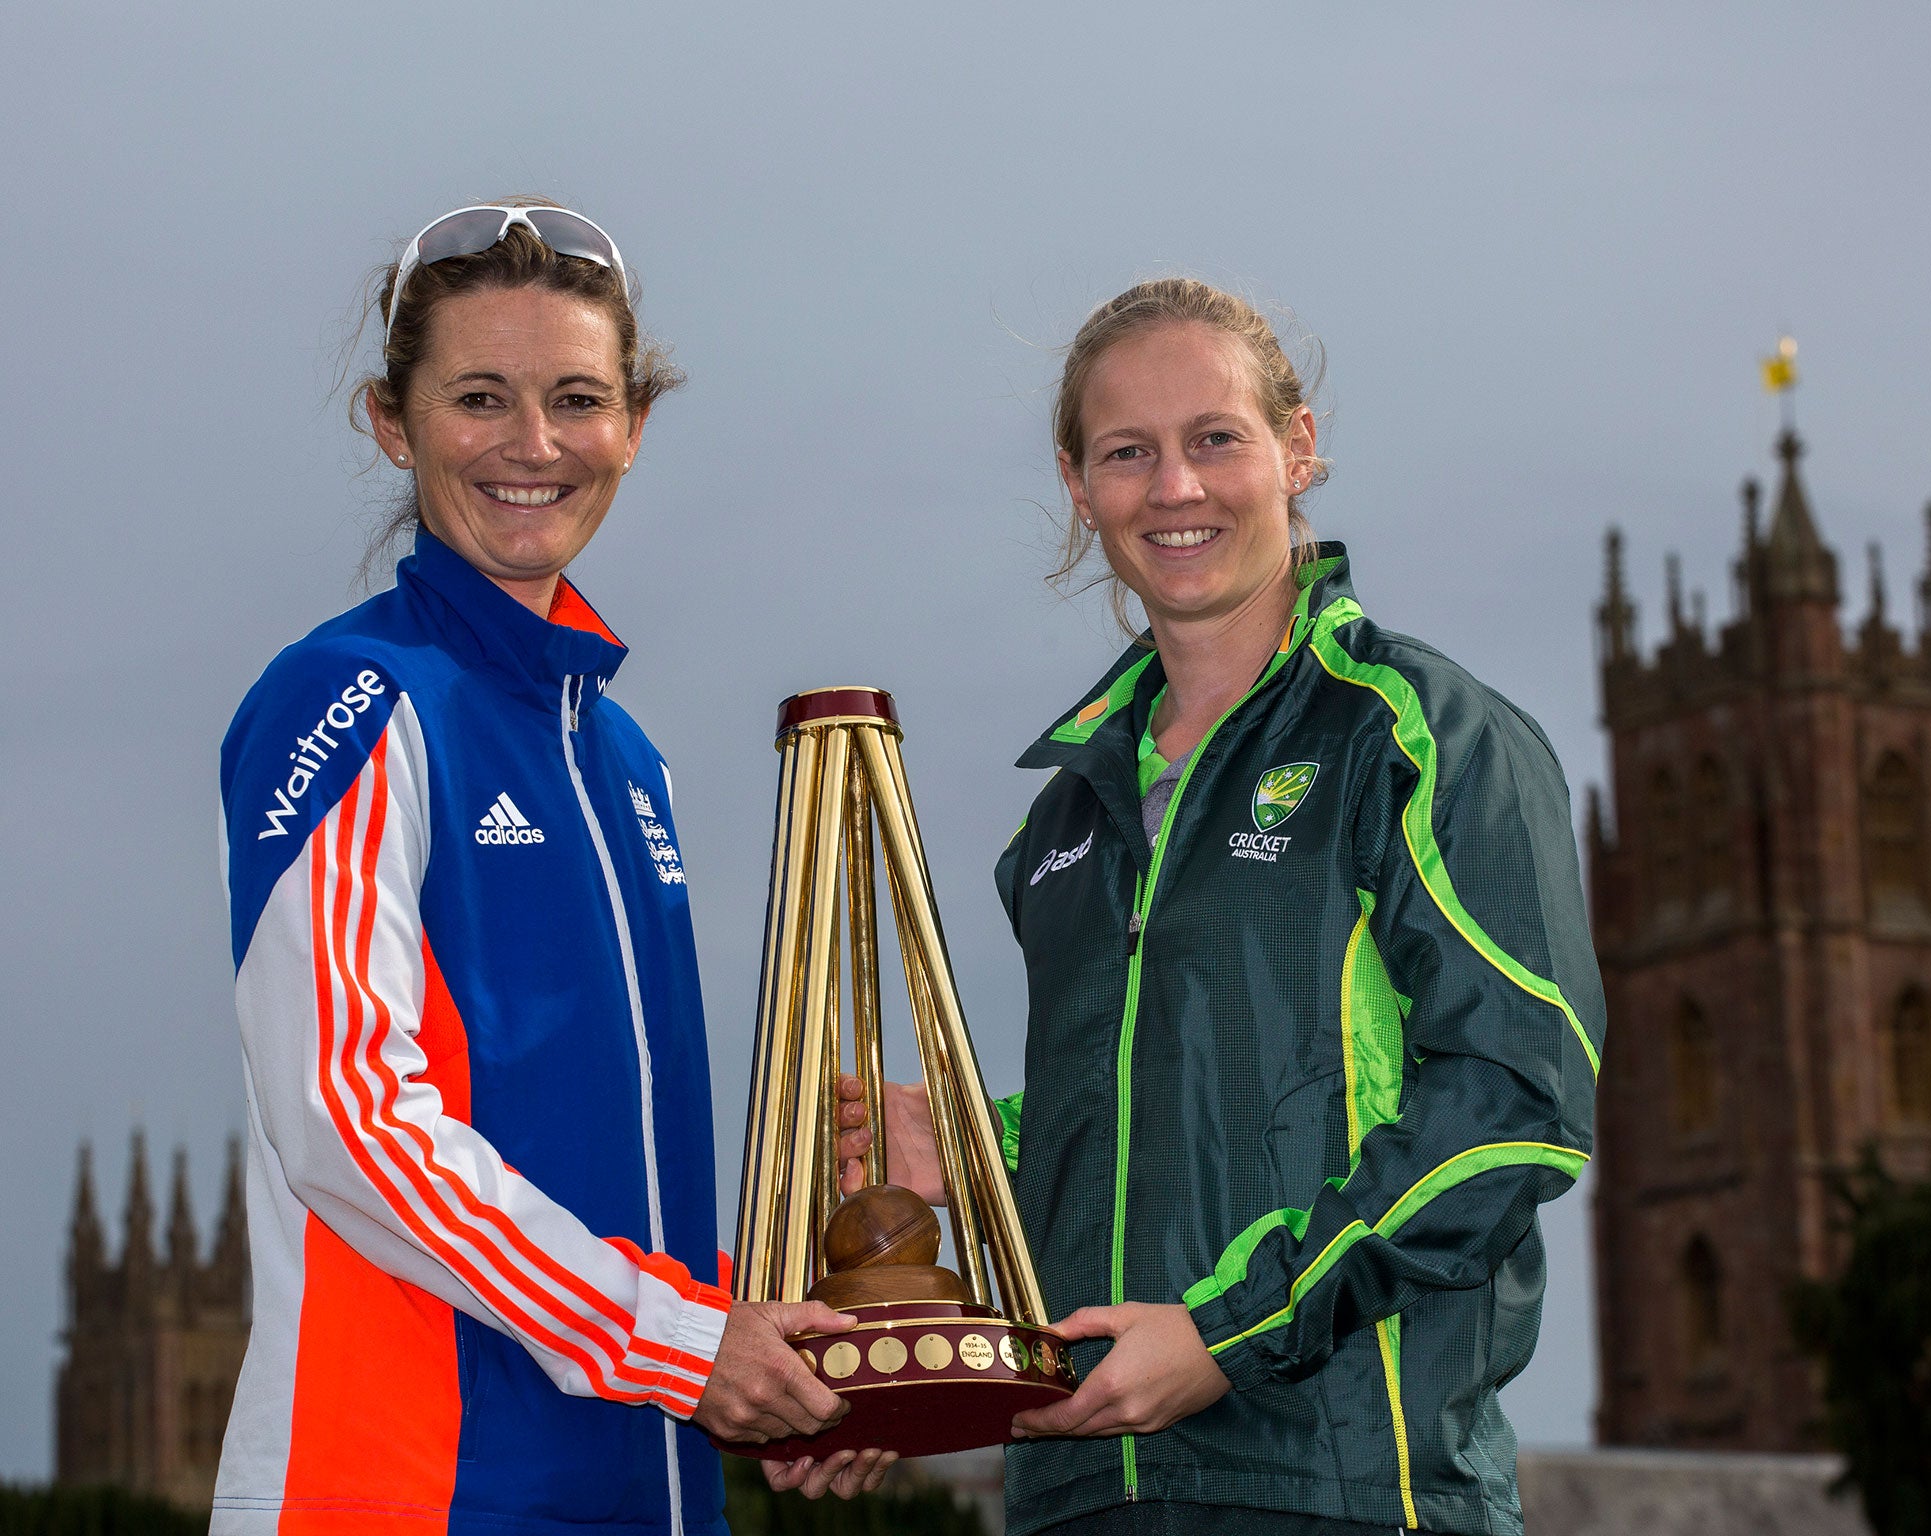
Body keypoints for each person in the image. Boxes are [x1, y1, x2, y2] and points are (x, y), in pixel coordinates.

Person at [839, 278, 1604, 1535]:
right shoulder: (1065, 820)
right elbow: (1179, 1115)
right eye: (1127, 454)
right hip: (1079, 1489)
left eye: (1214, 439)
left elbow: (1516, 1103)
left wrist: (1225, 1334)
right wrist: (980, 1156)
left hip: (1351, 1490)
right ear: (1079, 489)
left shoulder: (1416, 734)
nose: (1174, 488)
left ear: (1295, 449)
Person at [216, 200, 889, 1536]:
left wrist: (772, 1359)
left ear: (633, 427)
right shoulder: (350, 697)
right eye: (480, 397)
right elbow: (351, 1119)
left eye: (577, 399)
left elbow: (621, 1174)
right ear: (392, 423)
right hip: (409, 1497)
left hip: (643, 1494)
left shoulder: (626, 757)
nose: (534, 445)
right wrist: (688, 1346)